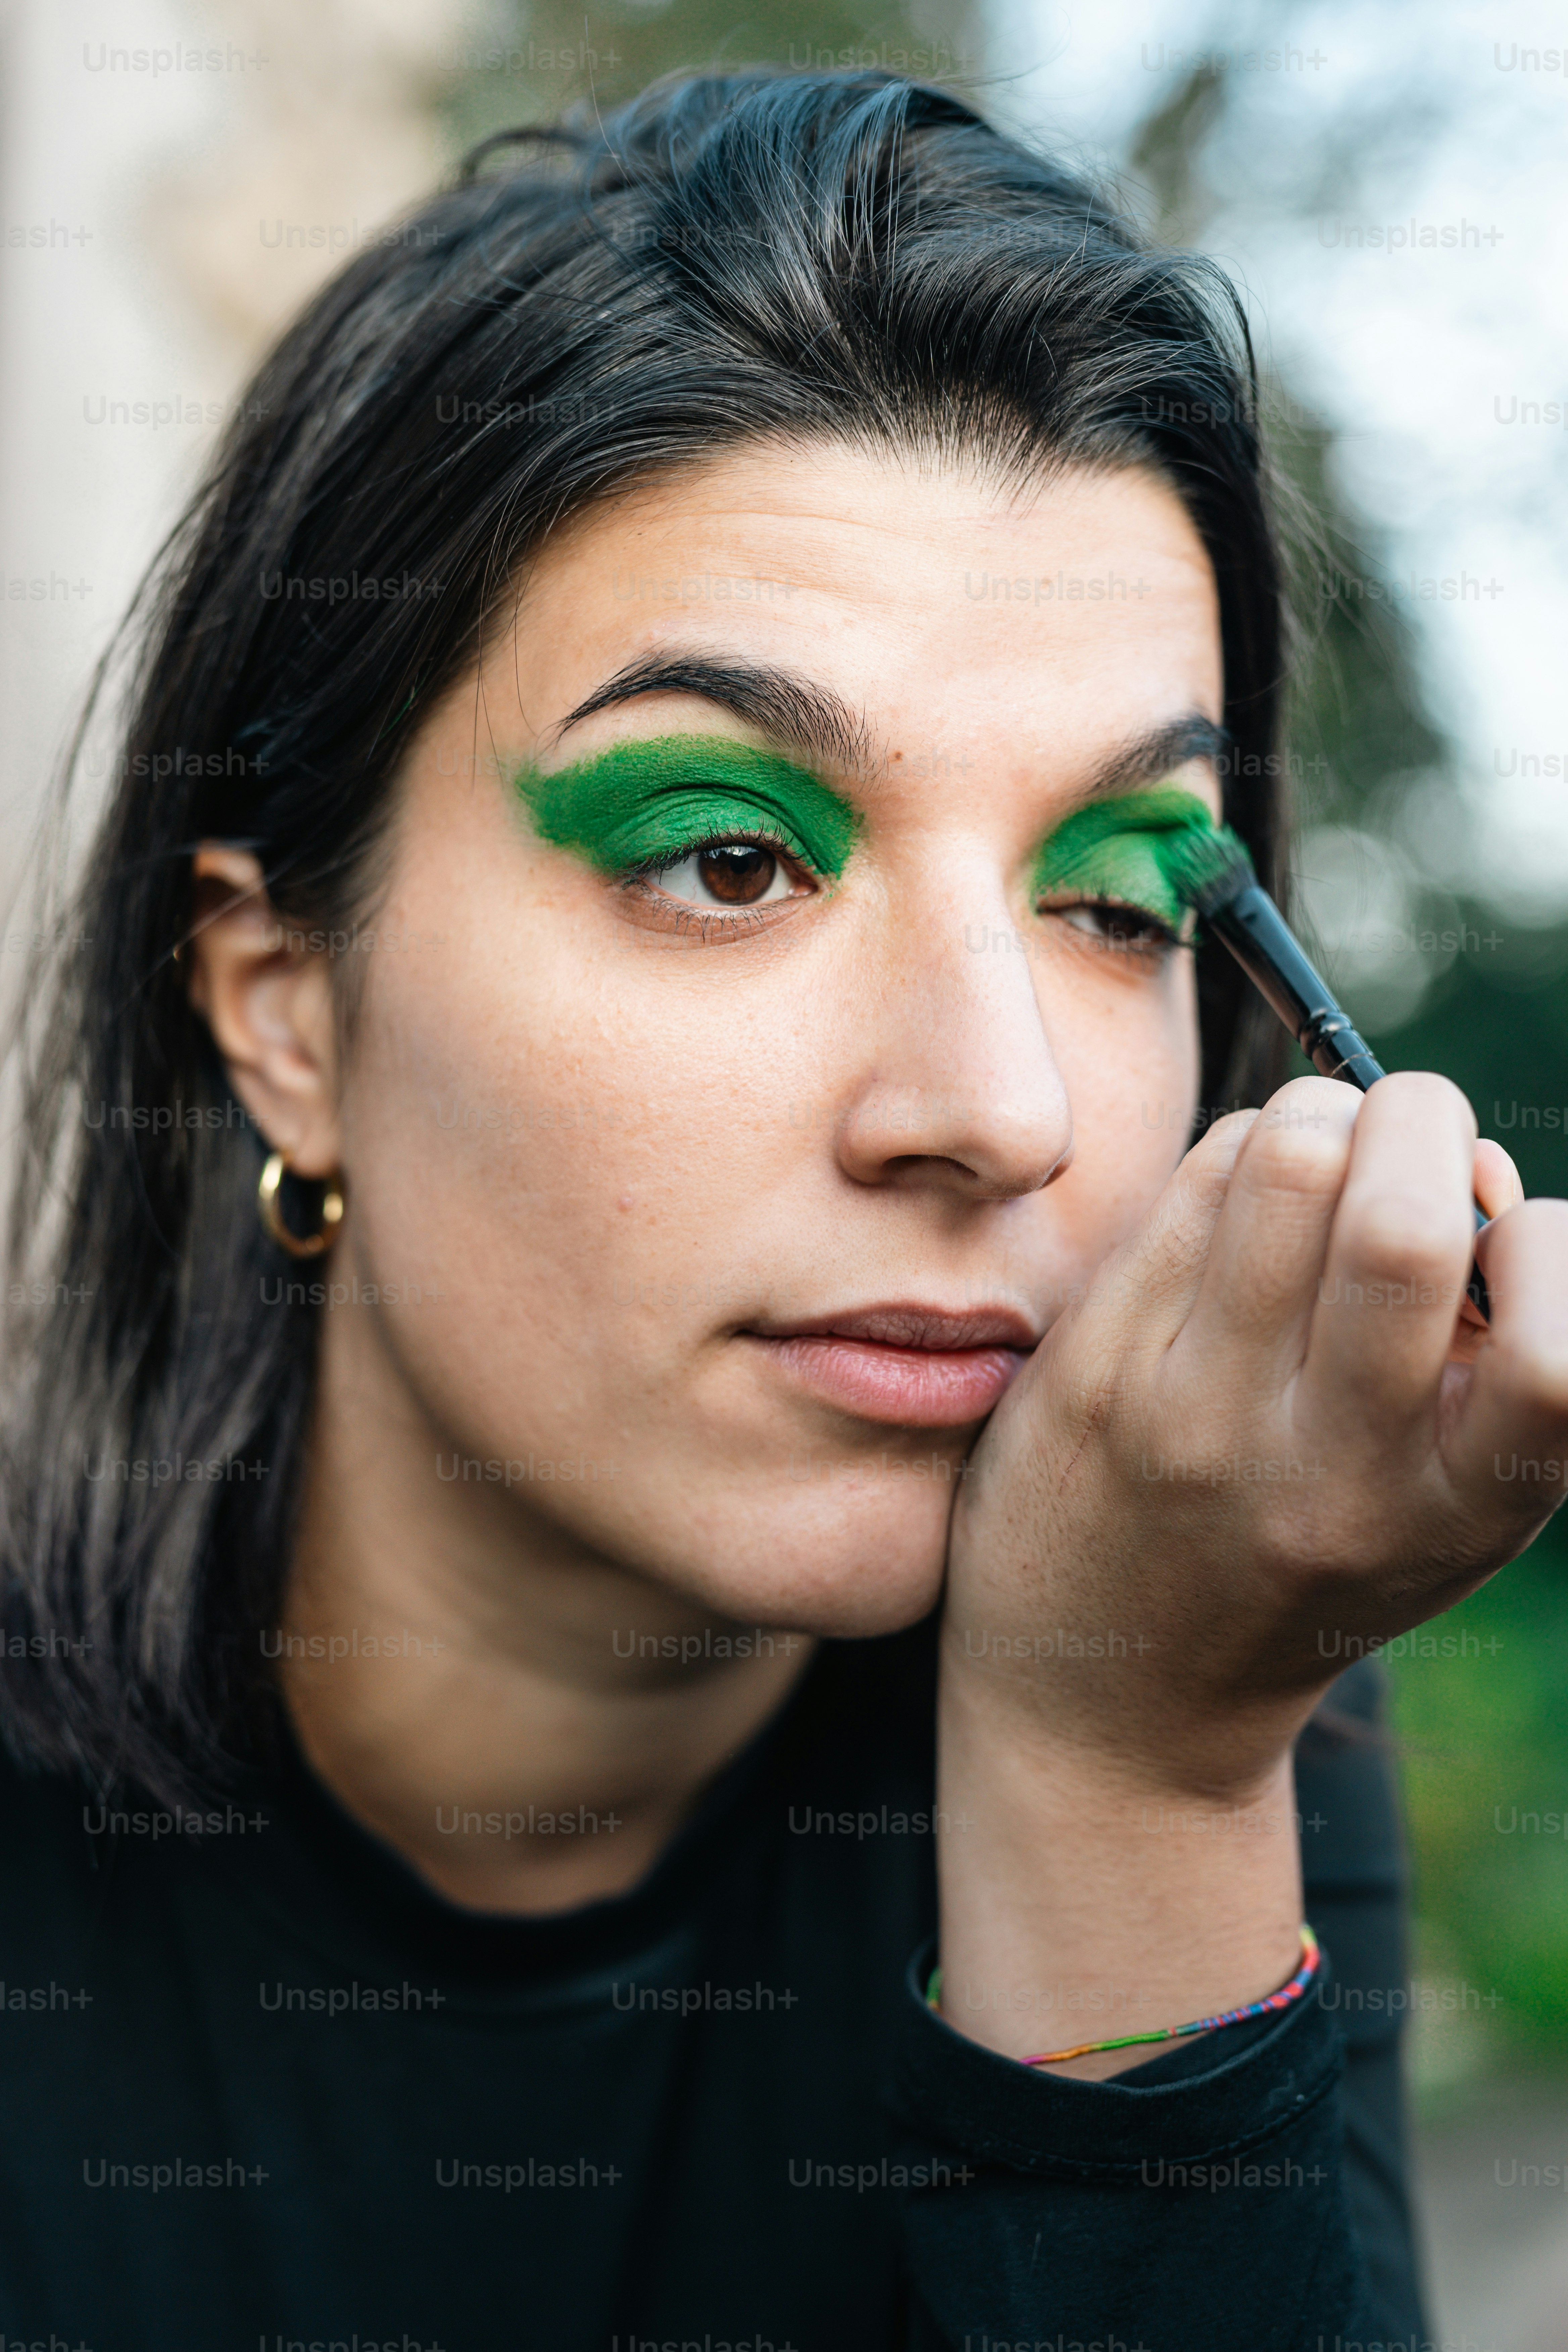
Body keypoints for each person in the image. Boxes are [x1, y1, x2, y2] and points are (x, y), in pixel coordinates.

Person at [1, 67, 1560, 2352]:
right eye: (731, 858)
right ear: (285, 1013)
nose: (999, 1108)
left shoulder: (1213, 1703)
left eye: (1120, 900)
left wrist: (1123, 1781)